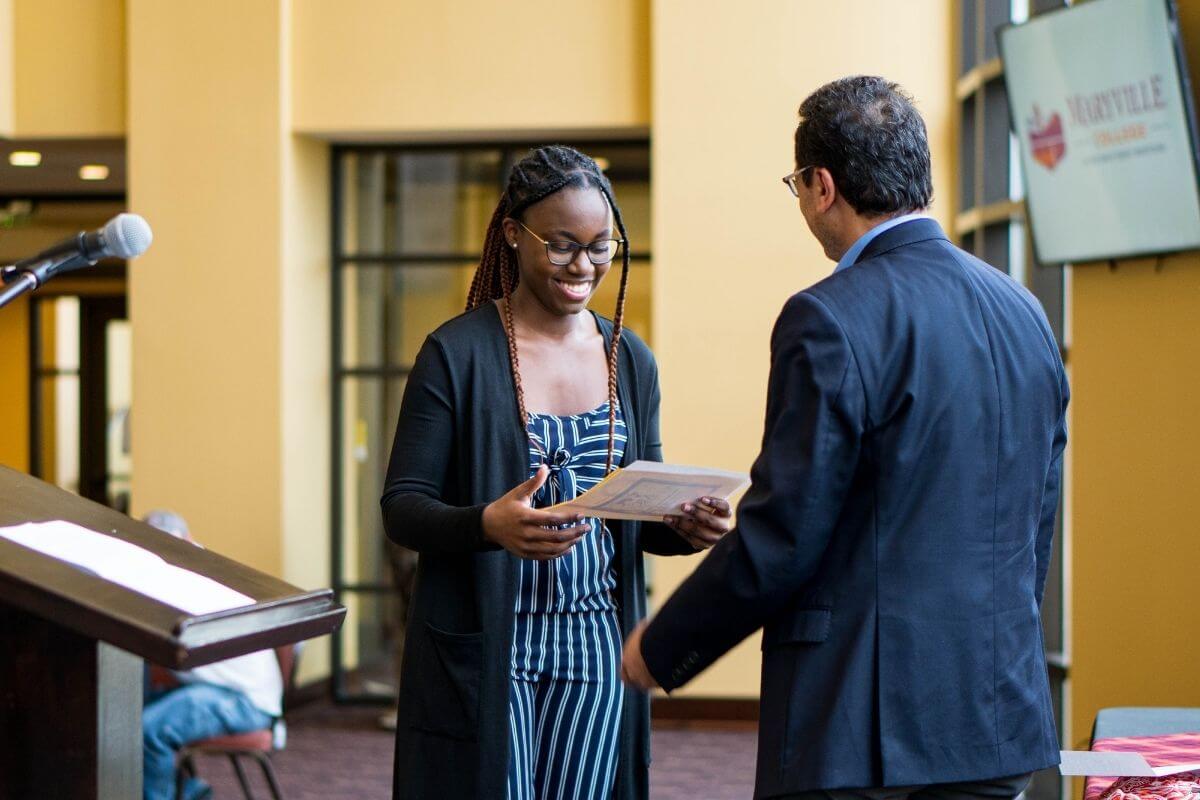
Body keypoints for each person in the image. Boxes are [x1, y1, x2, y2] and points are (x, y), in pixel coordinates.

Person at [622, 76, 1069, 800]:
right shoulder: (1025, 311)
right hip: (996, 713)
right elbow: (1034, 525)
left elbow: (784, 536)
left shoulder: (827, 317)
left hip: (860, 730)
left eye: (797, 185)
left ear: (821, 185)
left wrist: (663, 645)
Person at [381, 145, 730, 800]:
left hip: (595, 637)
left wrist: (682, 526)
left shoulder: (632, 361)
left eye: (602, 246)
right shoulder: (455, 354)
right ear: (513, 234)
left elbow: (634, 517)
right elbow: (402, 506)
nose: (584, 266)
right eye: (563, 244)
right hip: (491, 641)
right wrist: (487, 524)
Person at [141, 510, 284, 800]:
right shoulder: (201, 567)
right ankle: (188, 791)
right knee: (124, 715)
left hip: (245, 702)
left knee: (147, 729)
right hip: (229, 690)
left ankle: (172, 793)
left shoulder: (177, 578)